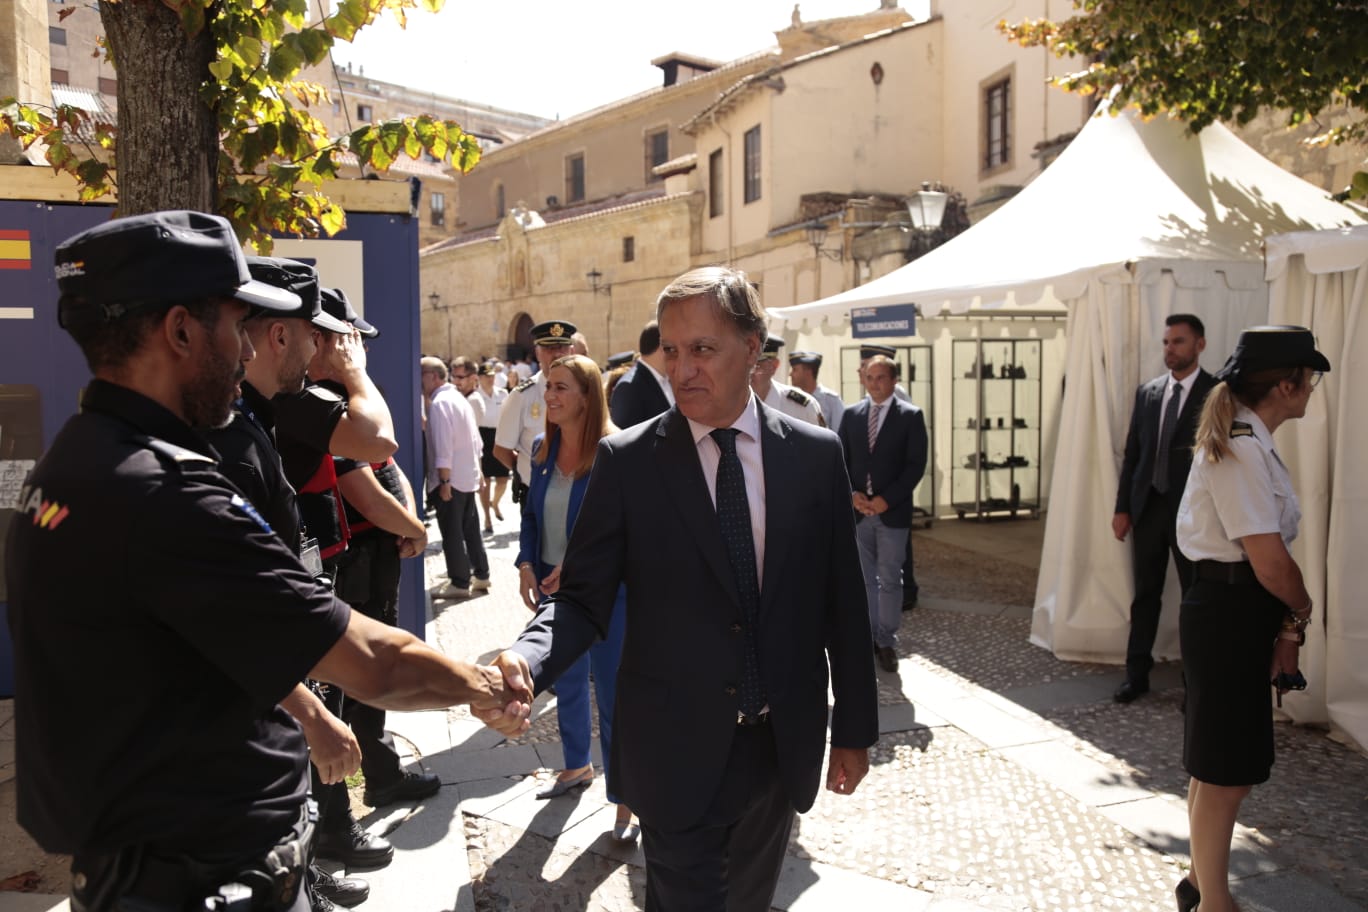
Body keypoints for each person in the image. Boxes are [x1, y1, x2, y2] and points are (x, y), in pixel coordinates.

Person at [5, 210, 527, 912]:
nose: (246, 352)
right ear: (183, 331)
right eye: (236, 326)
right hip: (196, 875)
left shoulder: (82, 454)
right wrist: (485, 684)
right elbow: (374, 663)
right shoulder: (161, 493)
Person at [480, 265, 878, 911]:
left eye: (703, 349)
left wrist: (855, 729)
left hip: (779, 747)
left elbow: (843, 601)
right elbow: (582, 597)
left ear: (753, 349)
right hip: (673, 747)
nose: (683, 368)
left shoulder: (814, 454)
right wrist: (527, 659)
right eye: (671, 350)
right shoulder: (629, 461)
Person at [204, 263, 372, 910]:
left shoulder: (249, 427)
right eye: (315, 334)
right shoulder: (220, 444)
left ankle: (301, 880)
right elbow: (232, 614)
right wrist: (309, 709)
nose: (321, 348)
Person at [1172, 325, 1327, 912]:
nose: (1312, 389)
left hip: (1235, 609)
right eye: (1308, 379)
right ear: (1286, 385)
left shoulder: (1248, 438)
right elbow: (1268, 558)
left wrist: (1286, 624)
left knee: (1217, 763)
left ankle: (1199, 882)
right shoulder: (1239, 444)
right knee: (1227, 770)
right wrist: (1302, 607)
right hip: (1229, 610)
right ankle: (1215, 902)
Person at [514, 354, 636, 842]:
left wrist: (578, 568)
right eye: (549, 387)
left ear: (588, 396)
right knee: (565, 682)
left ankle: (626, 800)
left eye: (562, 387)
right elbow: (529, 516)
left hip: (607, 596)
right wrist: (526, 562)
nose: (551, 396)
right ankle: (575, 766)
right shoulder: (543, 447)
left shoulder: (616, 452)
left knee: (612, 695)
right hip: (552, 588)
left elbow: (625, 533)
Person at [1112, 314, 1215, 703]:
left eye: (1179, 342)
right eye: (1167, 342)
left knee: (1195, 598)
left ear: (1199, 345)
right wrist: (1123, 508)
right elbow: (1133, 454)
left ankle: (1196, 686)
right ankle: (1136, 674)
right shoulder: (1149, 392)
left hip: (1192, 513)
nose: (1171, 349)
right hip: (1148, 509)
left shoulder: (1216, 392)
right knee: (1145, 595)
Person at [838, 355, 929, 674]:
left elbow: (915, 464)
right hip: (860, 512)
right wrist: (852, 495)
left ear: (893, 381)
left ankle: (886, 641)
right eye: (869, 377)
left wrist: (886, 500)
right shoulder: (851, 415)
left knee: (890, 578)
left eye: (880, 377)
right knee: (864, 579)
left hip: (891, 512)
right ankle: (868, 638)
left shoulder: (911, 416)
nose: (874, 383)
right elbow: (841, 460)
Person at [420, 356, 490, 599]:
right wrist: (478, 472)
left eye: (422, 374)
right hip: (466, 475)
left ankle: (460, 582)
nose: (419, 381)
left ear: (433, 376)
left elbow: (443, 447)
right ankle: (481, 574)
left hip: (450, 480)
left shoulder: (440, 403)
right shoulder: (457, 399)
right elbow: (475, 442)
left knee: (452, 533)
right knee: (470, 529)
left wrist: (444, 481)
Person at [493, 320, 576, 504]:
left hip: (576, 489)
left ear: (571, 351)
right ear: (538, 353)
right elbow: (501, 449)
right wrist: (526, 469)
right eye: (549, 348)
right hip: (537, 491)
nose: (557, 353)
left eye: (562, 347)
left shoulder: (583, 390)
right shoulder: (521, 396)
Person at [609, 320, 672, 428]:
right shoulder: (629, 387)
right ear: (663, 347)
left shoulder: (669, 379)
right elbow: (626, 439)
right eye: (674, 347)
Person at [750, 333, 823, 426]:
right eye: (743, 364)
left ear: (774, 366)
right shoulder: (730, 406)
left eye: (756, 366)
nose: (749, 372)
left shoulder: (801, 408)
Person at [472, 362, 511, 532]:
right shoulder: (475, 397)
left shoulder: (502, 394)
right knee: (485, 481)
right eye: (487, 376)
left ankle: (494, 503)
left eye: (492, 376)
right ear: (479, 378)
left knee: (503, 480)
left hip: (500, 435)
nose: (490, 379)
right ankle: (487, 518)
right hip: (482, 436)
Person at [787, 350, 844, 433]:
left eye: (794, 369)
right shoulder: (790, 398)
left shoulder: (831, 400)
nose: (790, 374)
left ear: (808, 372)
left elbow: (839, 435)